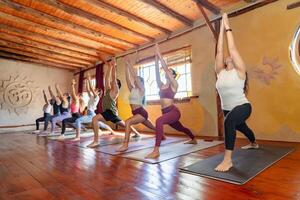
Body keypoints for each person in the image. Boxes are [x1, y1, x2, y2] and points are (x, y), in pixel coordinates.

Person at [214, 13, 258, 172]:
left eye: (231, 56)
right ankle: (253, 142)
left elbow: (231, 48)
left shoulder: (240, 72)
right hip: (228, 110)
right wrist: (219, 30)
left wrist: (226, 25)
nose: (228, 56)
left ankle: (227, 160)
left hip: (243, 106)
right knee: (242, 127)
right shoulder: (220, 72)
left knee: (229, 122)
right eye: (226, 57)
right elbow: (219, 51)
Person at [145, 44, 197, 159]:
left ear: (173, 75)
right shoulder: (161, 85)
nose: (167, 72)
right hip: (166, 112)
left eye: (170, 71)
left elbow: (165, 68)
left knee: (158, 121)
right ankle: (193, 139)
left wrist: (159, 53)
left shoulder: (174, 85)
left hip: (173, 112)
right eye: (167, 71)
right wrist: (156, 58)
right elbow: (157, 73)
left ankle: (156, 150)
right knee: (180, 128)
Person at [87, 58, 140, 148]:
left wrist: (114, 67)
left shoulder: (115, 91)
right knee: (124, 124)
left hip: (110, 112)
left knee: (95, 119)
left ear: (117, 85)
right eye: (113, 82)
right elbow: (107, 79)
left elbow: (113, 77)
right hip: (111, 112)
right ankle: (137, 133)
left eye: (115, 82)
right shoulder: (108, 90)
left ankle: (96, 141)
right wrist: (109, 67)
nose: (112, 82)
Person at [117, 59, 156, 152]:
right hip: (136, 113)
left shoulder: (142, 89)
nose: (135, 81)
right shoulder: (133, 89)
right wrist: (126, 67)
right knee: (152, 127)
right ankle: (161, 134)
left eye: (137, 80)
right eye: (135, 80)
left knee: (127, 122)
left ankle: (125, 145)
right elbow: (127, 79)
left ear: (141, 82)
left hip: (141, 113)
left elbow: (134, 76)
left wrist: (130, 65)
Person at [72, 75, 115, 141]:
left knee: (78, 120)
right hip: (91, 114)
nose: (95, 90)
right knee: (101, 124)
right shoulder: (92, 96)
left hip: (91, 114)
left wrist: (89, 80)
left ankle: (78, 137)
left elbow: (91, 89)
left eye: (96, 90)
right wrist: (87, 81)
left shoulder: (96, 97)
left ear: (98, 92)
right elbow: (89, 89)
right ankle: (112, 131)